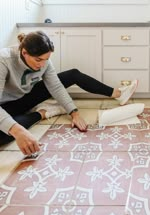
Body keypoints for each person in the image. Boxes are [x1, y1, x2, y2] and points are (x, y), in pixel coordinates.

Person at [0, 31, 138, 156]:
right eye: (38, 60)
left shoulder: (44, 61)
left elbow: (56, 87)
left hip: (24, 97)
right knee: (4, 133)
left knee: (72, 74)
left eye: (46, 59)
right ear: (24, 53)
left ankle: (118, 93)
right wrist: (18, 131)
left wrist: (74, 112)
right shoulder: (3, 60)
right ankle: (43, 113)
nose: (42, 65)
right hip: (5, 105)